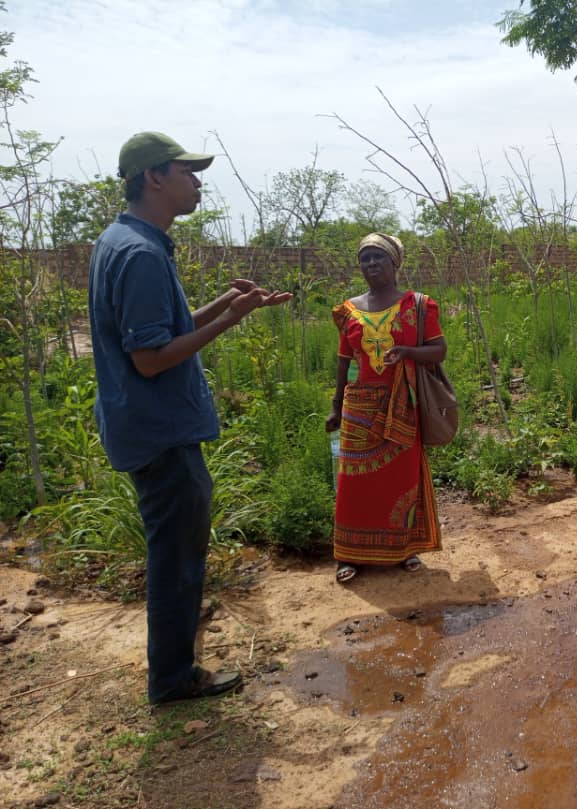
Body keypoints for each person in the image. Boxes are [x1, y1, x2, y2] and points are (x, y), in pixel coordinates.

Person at [88, 132, 292, 704]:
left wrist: (227, 305)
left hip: (148, 426)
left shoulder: (126, 241)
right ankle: (174, 679)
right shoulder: (142, 254)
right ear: (154, 178)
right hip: (160, 430)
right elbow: (151, 359)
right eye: (187, 171)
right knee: (175, 556)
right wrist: (228, 323)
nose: (198, 181)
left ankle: (175, 656)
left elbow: (159, 333)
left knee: (176, 550)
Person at [325, 233, 447, 583]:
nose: (372, 264)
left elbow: (439, 351)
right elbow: (344, 361)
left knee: (401, 479)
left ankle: (403, 548)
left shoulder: (418, 306)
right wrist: (335, 406)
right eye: (365, 259)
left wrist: (408, 352)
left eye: (379, 257)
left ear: (395, 262)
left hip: (403, 405)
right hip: (359, 408)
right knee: (353, 483)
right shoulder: (347, 311)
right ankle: (348, 554)